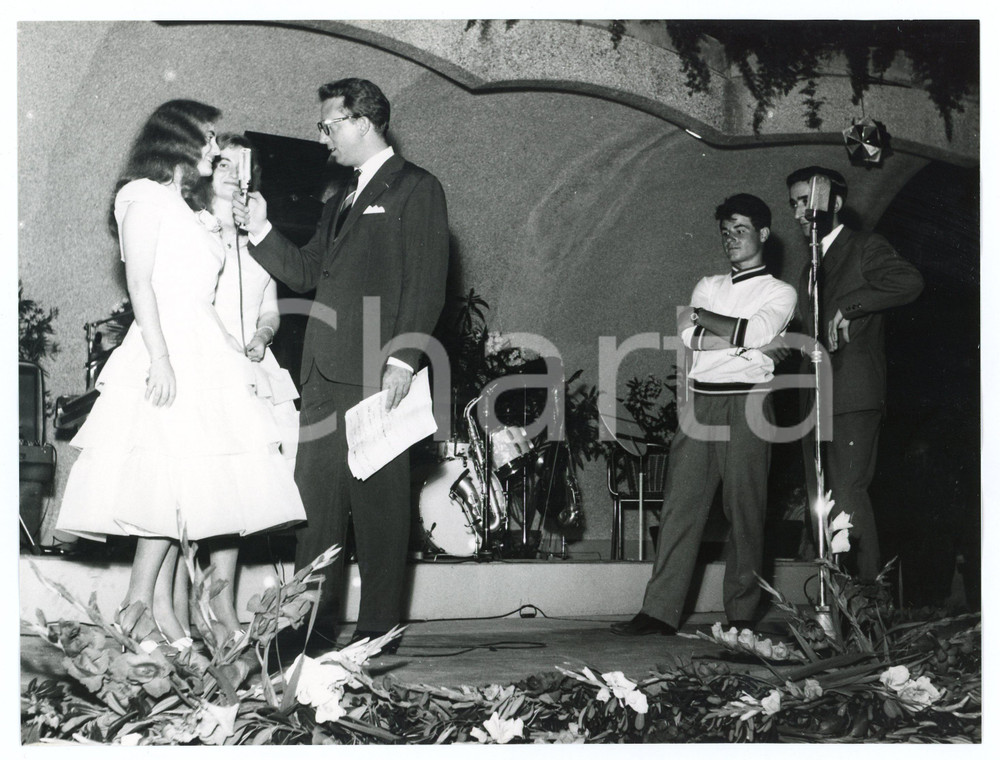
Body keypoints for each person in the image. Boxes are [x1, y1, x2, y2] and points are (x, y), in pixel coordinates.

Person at [55, 100, 306, 647]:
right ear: (176, 138)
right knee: (165, 484)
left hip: (204, 347)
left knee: (187, 489)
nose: (216, 149)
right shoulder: (140, 195)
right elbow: (141, 284)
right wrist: (162, 359)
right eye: (209, 138)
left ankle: (158, 610)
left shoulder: (182, 203)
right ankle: (142, 608)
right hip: (167, 347)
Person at [232, 78, 449, 652]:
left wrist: (403, 358)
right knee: (315, 513)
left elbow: (426, 284)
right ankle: (306, 628)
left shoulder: (416, 188)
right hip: (324, 377)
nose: (323, 137)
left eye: (329, 125)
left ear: (362, 122)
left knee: (380, 513)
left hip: (379, 374)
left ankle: (378, 631)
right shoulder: (340, 201)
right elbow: (305, 273)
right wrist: (260, 226)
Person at [612, 194, 797, 636]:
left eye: (741, 230)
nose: (731, 239)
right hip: (702, 402)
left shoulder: (779, 291)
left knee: (745, 509)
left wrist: (717, 326)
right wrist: (748, 343)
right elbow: (692, 338)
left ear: (764, 234)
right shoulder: (708, 284)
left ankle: (741, 617)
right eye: (725, 232)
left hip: (749, 402)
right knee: (680, 506)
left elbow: (753, 329)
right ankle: (658, 611)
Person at [180, 133, 302, 639]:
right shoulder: (194, 230)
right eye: (222, 165)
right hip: (207, 368)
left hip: (252, 369)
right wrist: (224, 339)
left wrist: (262, 334)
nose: (232, 176)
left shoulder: (255, 237)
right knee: (203, 492)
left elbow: (269, 303)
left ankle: (221, 606)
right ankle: (191, 608)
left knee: (241, 498)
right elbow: (186, 296)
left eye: (239, 168)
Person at [786, 166, 924, 581]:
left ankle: (864, 611)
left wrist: (851, 306)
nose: (797, 213)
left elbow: (909, 281)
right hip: (814, 397)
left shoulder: (864, 246)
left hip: (852, 393)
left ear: (834, 204)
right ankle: (832, 612)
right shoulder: (810, 266)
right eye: (793, 204)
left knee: (847, 497)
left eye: (805, 201)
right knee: (820, 502)